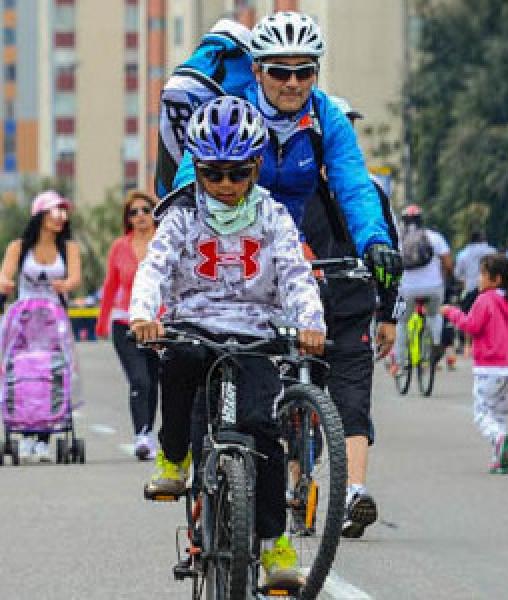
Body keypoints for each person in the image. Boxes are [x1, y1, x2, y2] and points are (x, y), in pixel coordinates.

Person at [158, 12, 403, 539]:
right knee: (205, 357)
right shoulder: (234, 111)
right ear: (258, 70)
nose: (292, 83)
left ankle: (269, 515)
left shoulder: (326, 119)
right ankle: (203, 484)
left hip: (280, 246)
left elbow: (355, 187)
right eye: (279, 71)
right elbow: (191, 175)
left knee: (261, 397)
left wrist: (375, 242)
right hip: (217, 243)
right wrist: (173, 233)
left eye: (304, 71)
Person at [130, 96, 326, 587]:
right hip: (194, 327)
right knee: (176, 365)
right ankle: (174, 456)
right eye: (212, 174)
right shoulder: (179, 215)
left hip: (255, 335)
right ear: (196, 168)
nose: (224, 186)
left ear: (257, 167)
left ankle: (275, 545)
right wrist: (143, 313)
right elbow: (155, 266)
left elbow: (295, 273)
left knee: (264, 432)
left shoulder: (274, 216)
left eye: (237, 175)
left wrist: (310, 321)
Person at [301, 94, 401, 538]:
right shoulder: (292, 189)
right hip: (296, 316)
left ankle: (353, 493)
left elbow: (387, 253)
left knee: (352, 406)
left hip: (352, 309)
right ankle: (295, 487)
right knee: (293, 400)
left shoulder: (369, 193)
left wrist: (388, 313)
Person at [0, 190, 81, 462]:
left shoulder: (68, 248)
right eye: (53, 211)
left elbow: (75, 279)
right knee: (22, 369)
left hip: (54, 319)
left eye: (62, 212)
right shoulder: (19, 247)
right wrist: (5, 283)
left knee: (53, 370)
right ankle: (24, 434)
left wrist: (66, 285)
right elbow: (6, 273)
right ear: (40, 214)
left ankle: (44, 438)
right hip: (24, 318)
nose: (60, 217)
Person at [440, 253, 508, 473]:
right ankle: (499, 458)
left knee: (482, 414)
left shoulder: (486, 299)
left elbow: (471, 326)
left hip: (489, 368)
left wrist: (452, 313)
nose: (479, 279)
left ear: (496, 279)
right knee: (499, 415)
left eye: (482, 275)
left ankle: (499, 440)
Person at [96, 190, 160, 460]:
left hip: (160, 324)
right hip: (125, 323)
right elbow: (110, 285)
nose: (141, 216)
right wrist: (102, 321)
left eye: (145, 210)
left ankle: (152, 431)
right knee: (139, 379)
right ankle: (141, 435)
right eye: (134, 212)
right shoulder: (120, 246)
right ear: (128, 219)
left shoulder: (165, 242)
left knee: (155, 381)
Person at [395, 204, 452, 367]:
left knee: (402, 322)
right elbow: (448, 263)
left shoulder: (398, 239)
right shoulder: (435, 237)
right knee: (434, 315)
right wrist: (445, 278)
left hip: (407, 289)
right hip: (433, 287)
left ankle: (401, 361)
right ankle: (434, 344)